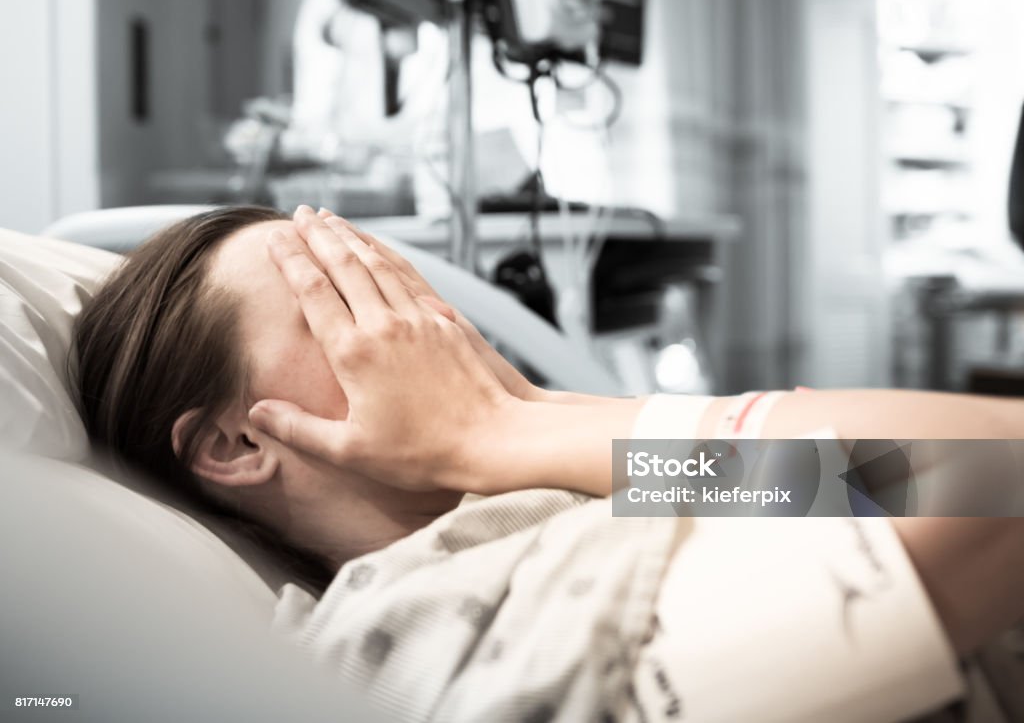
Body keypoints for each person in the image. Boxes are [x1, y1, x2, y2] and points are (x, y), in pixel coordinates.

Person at [74, 204, 1024, 722]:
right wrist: (503, 429)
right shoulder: (434, 636)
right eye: (344, 299)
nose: (425, 322)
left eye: (392, 279)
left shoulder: (561, 487)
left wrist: (538, 414)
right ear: (237, 446)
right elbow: (995, 480)